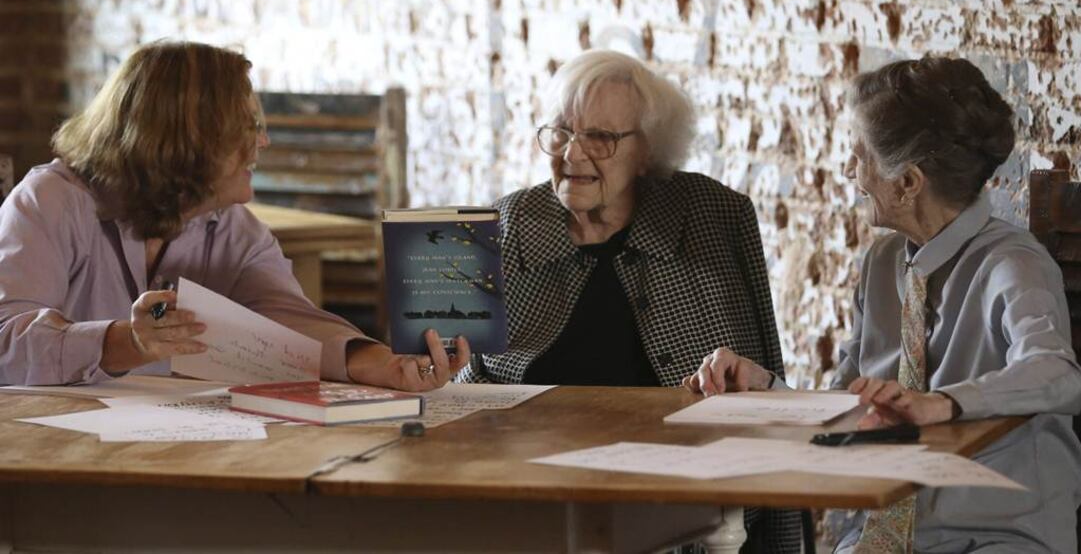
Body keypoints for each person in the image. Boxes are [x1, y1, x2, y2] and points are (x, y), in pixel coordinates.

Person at [686, 56, 1081, 553]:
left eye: (859, 156)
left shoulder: (1012, 262)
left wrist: (943, 405)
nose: (849, 170)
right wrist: (765, 387)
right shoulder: (882, 263)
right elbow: (846, 410)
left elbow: (1059, 374)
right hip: (876, 537)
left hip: (994, 539)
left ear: (908, 182)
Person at [456, 49, 800, 551]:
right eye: (561, 131)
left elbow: (764, 380)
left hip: (679, 499)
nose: (573, 155)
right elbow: (473, 381)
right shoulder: (509, 223)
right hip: (533, 496)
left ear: (647, 153)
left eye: (599, 137)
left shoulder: (711, 217)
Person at [0, 40, 469, 389]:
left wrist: (385, 364)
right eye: (248, 127)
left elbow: (291, 322)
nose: (262, 142)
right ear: (185, 141)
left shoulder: (235, 229)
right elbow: (7, 345)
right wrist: (126, 341)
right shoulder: (49, 203)